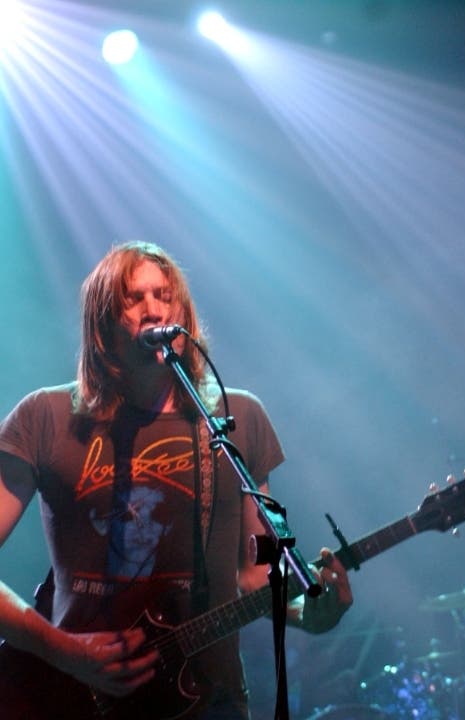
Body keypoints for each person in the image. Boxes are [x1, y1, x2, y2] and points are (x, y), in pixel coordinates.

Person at [0, 241, 353, 719]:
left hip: (209, 700)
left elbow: (254, 575)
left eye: (164, 296)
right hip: (70, 698)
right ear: (102, 322)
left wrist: (306, 614)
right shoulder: (46, 417)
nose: (153, 310)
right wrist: (63, 650)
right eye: (134, 298)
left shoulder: (236, 417)